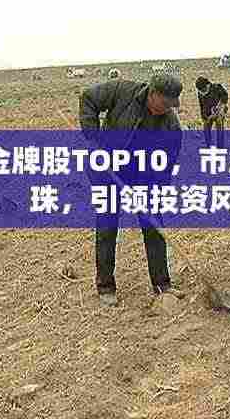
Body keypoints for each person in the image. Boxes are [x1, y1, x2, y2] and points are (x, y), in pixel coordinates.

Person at [79, 73, 185, 306]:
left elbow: (165, 168)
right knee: (107, 225)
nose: (168, 108)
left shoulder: (172, 128)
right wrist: (93, 138)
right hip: (108, 168)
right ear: (153, 94)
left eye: (172, 104)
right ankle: (105, 287)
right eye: (165, 103)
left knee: (154, 226)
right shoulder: (122, 91)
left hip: (144, 176)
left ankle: (162, 284)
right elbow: (88, 98)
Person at [195, 76, 229, 148]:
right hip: (208, 113)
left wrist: (219, 107)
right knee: (206, 127)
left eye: (204, 90)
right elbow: (201, 105)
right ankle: (208, 145)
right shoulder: (200, 93)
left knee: (219, 124)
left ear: (207, 85)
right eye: (201, 91)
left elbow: (225, 96)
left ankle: (220, 146)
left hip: (219, 111)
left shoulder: (216, 87)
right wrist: (204, 117)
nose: (203, 92)